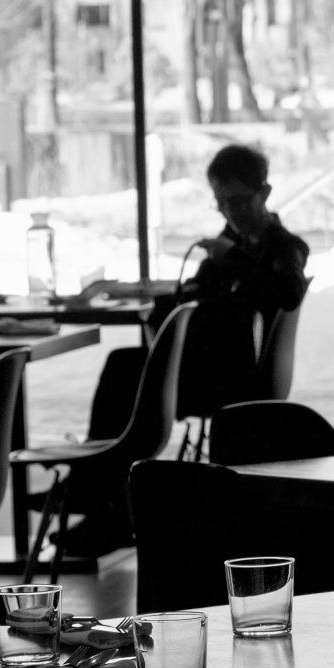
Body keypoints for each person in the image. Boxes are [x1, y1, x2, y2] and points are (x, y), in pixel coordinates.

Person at [55, 144, 310, 558]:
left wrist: (234, 260)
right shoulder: (231, 243)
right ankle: (105, 498)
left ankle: (101, 497)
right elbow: (197, 289)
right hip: (209, 370)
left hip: (231, 379)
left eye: (239, 200)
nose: (230, 212)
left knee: (126, 372)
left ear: (264, 192)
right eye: (222, 203)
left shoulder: (284, 246)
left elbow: (288, 291)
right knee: (126, 367)